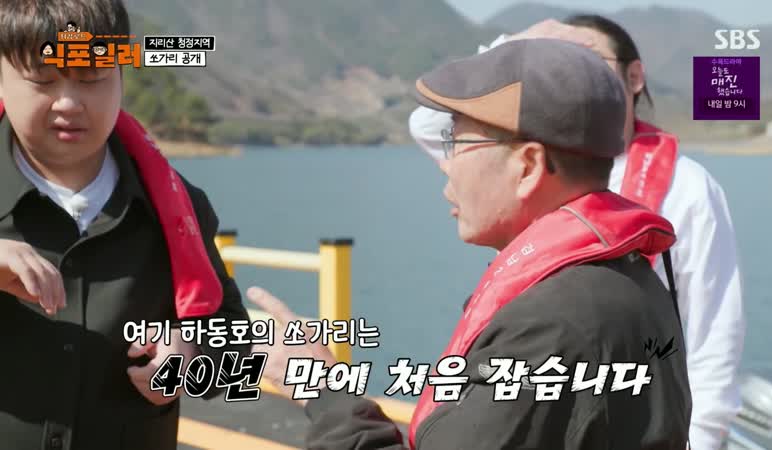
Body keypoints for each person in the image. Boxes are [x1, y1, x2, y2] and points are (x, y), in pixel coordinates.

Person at [247, 38, 691, 449]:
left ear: (528, 166)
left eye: (455, 142)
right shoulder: (626, 277)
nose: (446, 165)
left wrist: (321, 389)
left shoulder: (552, 326)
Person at [408, 16, 745, 450]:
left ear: (634, 77)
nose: (569, 64)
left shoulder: (686, 187)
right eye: (558, 57)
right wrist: (517, 47)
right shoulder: (563, 173)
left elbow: (714, 333)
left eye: (588, 58)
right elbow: (438, 125)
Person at [0, 0, 250, 448]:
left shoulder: (179, 209)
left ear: (120, 77)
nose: (69, 103)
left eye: (92, 78)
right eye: (42, 79)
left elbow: (233, 340)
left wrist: (189, 356)